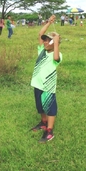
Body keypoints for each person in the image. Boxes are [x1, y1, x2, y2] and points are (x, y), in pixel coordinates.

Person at [30, 14, 62, 143]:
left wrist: (55, 42)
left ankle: (49, 131)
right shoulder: (42, 51)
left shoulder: (57, 55)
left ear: (54, 43)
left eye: (47, 40)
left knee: (50, 108)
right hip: (37, 84)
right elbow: (40, 33)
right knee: (40, 106)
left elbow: (55, 58)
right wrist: (49, 22)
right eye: (44, 40)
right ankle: (43, 122)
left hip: (48, 88)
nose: (44, 42)